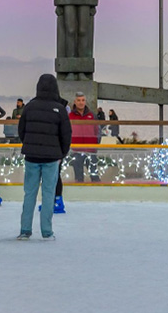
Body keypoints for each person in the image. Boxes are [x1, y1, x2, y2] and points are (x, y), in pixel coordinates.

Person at [17, 74, 72, 240]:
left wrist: (29, 145)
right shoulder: (60, 109)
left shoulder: (29, 107)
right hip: (51, 158)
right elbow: (66, 135)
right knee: (49, 194)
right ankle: (47, 231)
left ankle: (25, 230)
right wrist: (61, 154)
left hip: (31, 157)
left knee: (29, 193)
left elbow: (21, 130)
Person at [68, 92, 100, 183]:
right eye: (78, 100)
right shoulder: (70, 116)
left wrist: (96, 144)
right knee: (79, 178)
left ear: (85, 101)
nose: (81, 102)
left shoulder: (92, 115)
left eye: (83, 100)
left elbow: (98, 130)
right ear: (75, 102)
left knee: (95, 176)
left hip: (91, 150)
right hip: (76, 151)